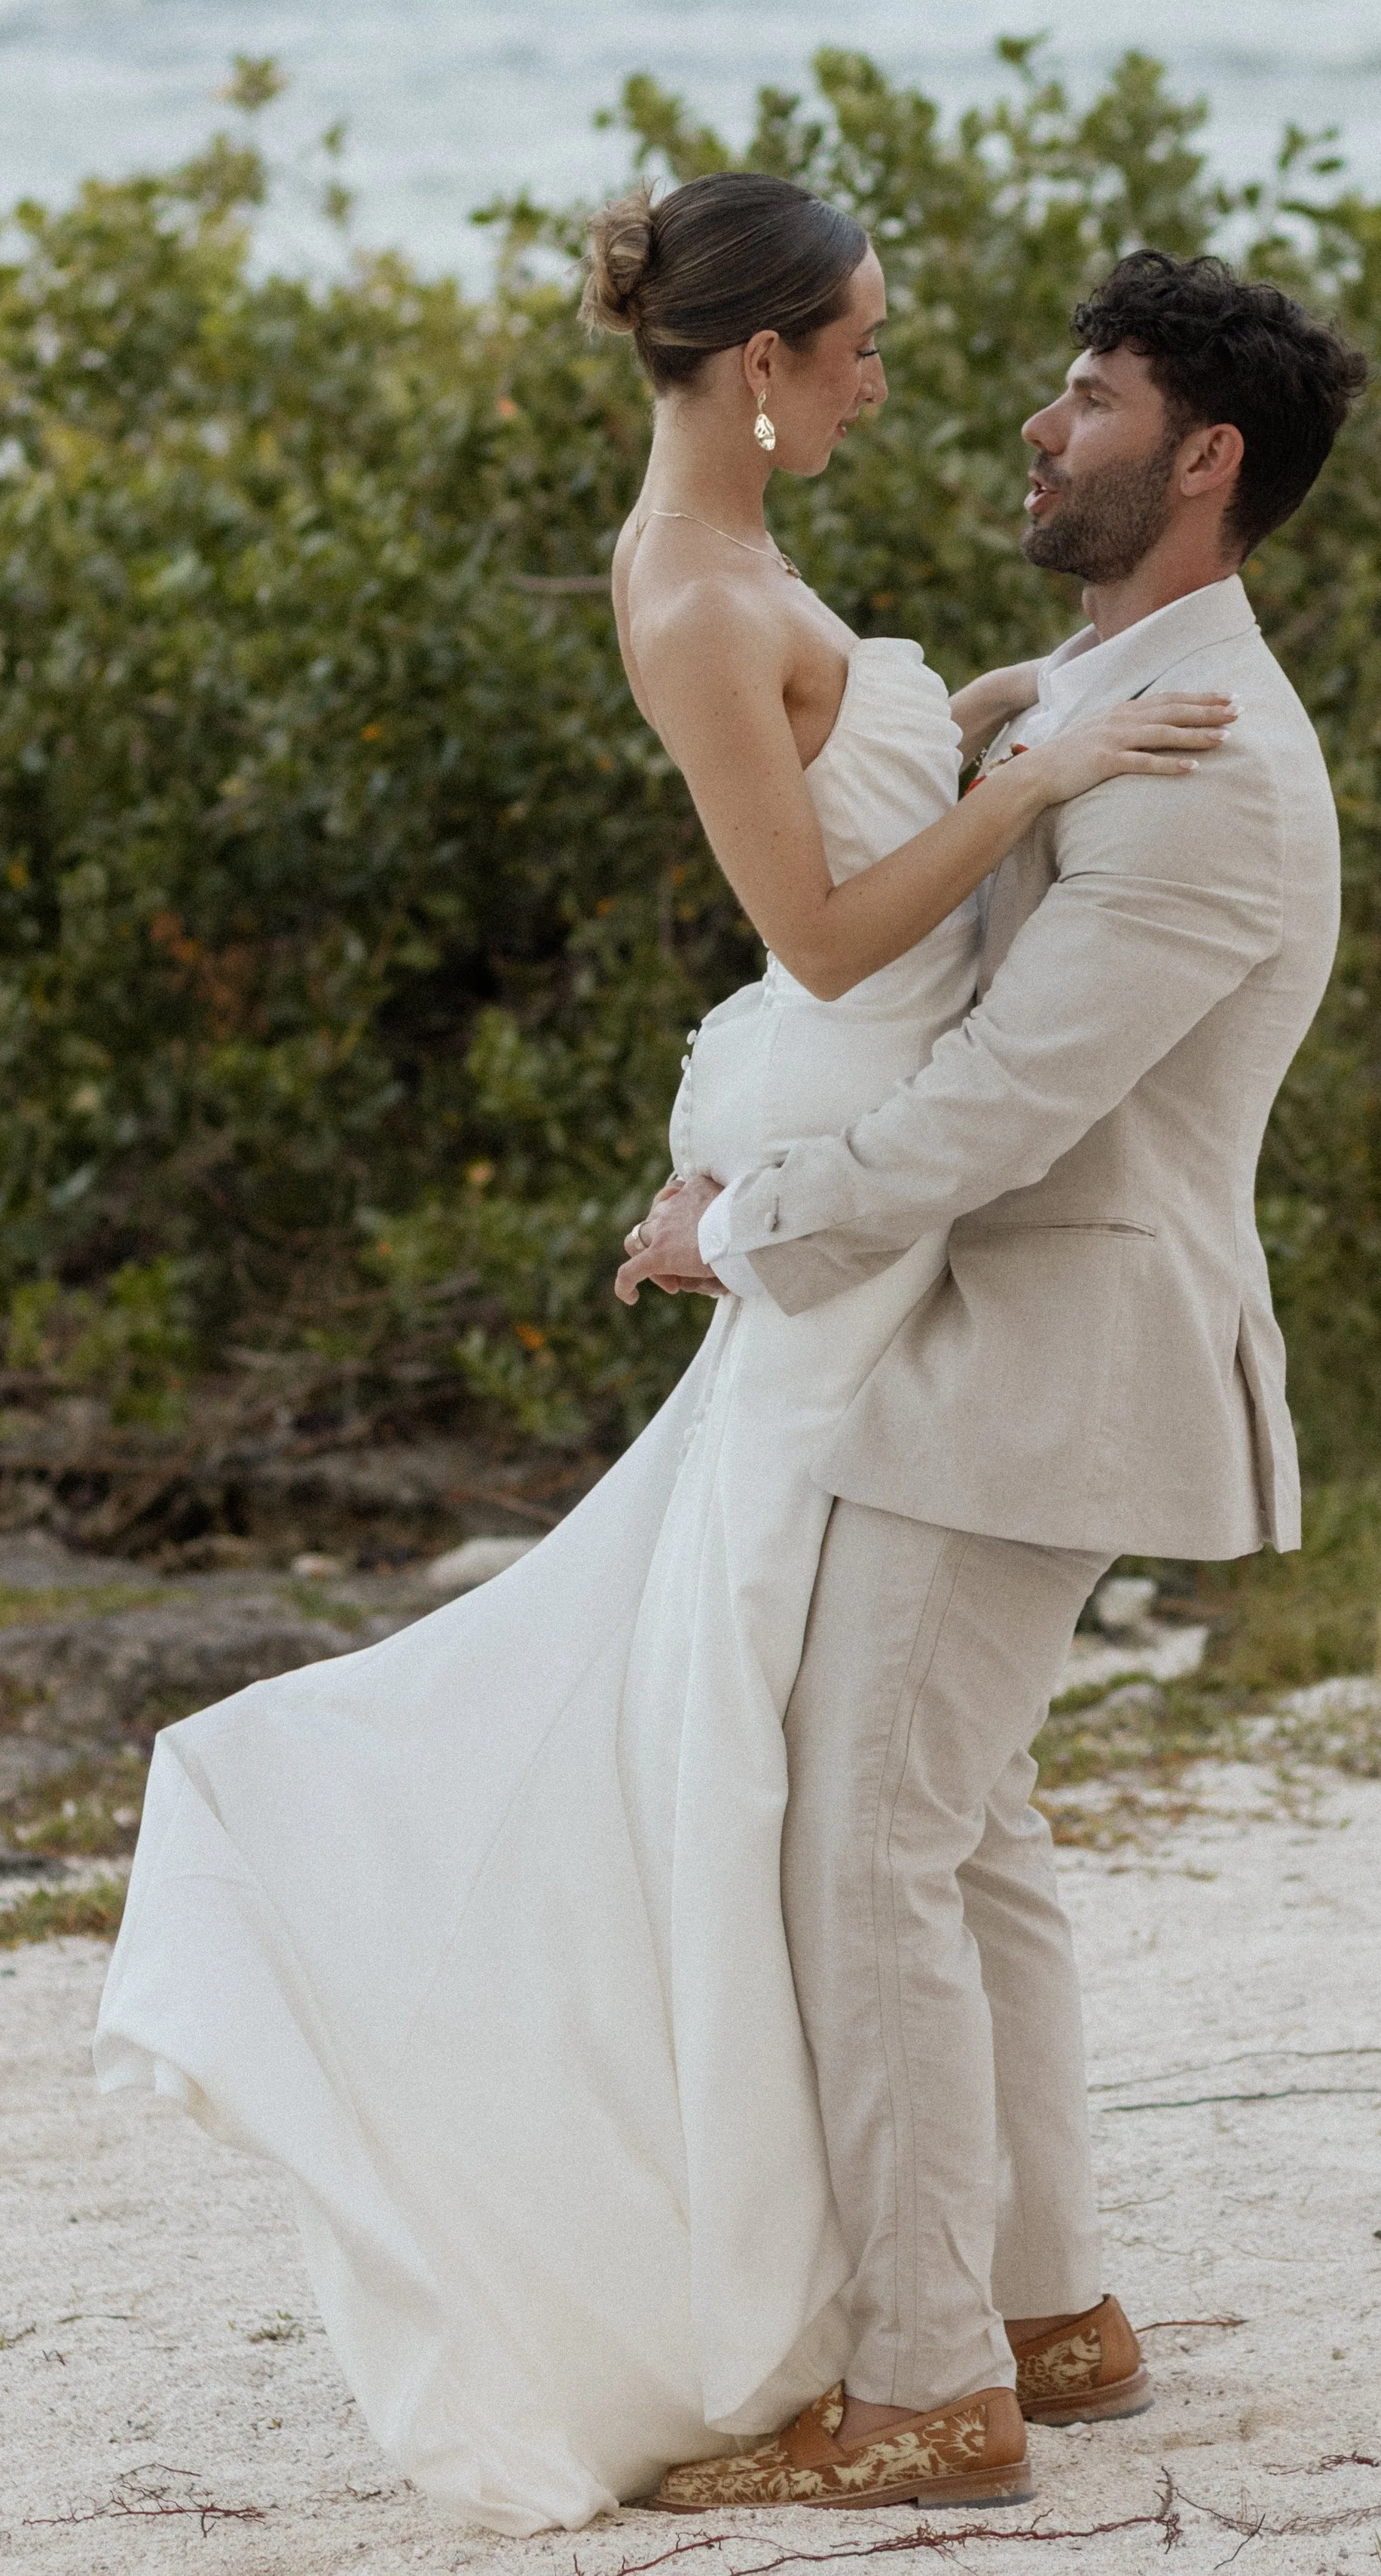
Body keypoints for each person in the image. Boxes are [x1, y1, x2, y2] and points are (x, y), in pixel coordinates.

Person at [90, 172, 1237, 2535]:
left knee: (917, 1771)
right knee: (784, 1740)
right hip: (863, 1148)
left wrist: (1000, 708)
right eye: (865, 341)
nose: (890, 374)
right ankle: (888, 2314)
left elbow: (870, 769)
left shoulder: (753, 570)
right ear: (755, 365)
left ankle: (1025, 2301)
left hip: (885, 1173)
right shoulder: (689, 593)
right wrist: (1020, 785)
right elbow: (816, 938)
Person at [617, 240, 1364, 2515]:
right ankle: (1046, 2302)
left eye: (1089, 399)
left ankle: (933, 2384)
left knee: (867, 1848)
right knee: (975, 1837)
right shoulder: (1129, 683)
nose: (1038, 427)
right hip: (1000, 1341)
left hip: (1054, 1346)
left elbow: (997, 1110)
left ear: (1201, 458)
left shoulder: (1206, 769)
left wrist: (731, 1228)